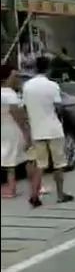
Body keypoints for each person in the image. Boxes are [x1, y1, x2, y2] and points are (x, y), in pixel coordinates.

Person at [22, 55, 74, 208]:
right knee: (58, 164)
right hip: (53, 129)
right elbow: (58, 107)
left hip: (37, 130)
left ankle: (34, 195)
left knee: (40, 165)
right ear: (49, 68)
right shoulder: (52, 86)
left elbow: (24, 107)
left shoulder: (27, 86)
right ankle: (60, 194)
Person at [1, 62, 31, 199]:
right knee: (15, 159)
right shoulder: (10, 95)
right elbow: (18, 114)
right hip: (13, 129)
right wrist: (26, 130)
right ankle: (13, 188)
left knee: (10, 159)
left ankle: (11, 187)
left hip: (4, 128)